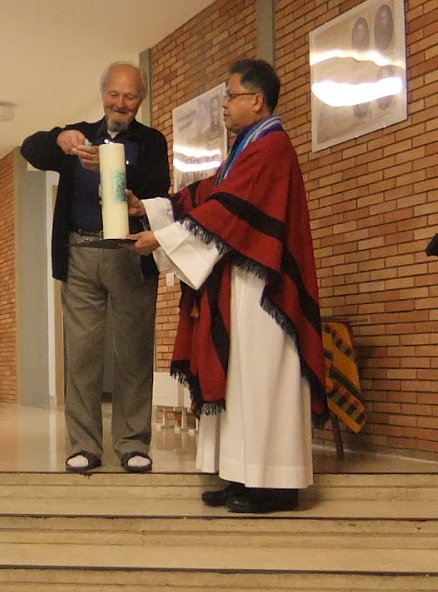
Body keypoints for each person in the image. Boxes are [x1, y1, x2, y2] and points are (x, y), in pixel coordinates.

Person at [128, 59, 326, 514]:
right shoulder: (249, 146)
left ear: (256, 100)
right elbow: (212, 193)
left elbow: (227, 209)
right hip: (243, 281)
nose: (224, 105)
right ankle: (241, 475)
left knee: (263, 381)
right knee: (242, 380)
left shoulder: (271, 146)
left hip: (265, 286)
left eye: (231, 96)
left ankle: (275, 487)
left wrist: (162, 237)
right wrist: (150, 209)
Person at [21, 62, 169, 474]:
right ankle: (84, 444)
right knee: (82, 353)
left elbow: (158, 187)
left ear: (141, 99)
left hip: (129, 253)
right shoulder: (81, 134)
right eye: (114, 94)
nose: (121, 103)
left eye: (130, 96)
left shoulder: (152, 141)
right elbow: (30, 149)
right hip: (80, 251)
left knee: (134, 351)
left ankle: (132, 442)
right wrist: (59, 137)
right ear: (102, 94)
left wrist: (111, 166)